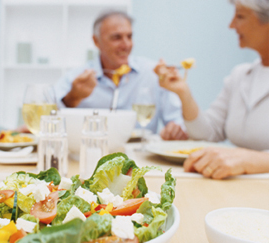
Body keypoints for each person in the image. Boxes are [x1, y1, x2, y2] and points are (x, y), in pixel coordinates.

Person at [154, 0, 269, 179]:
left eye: (240, 16)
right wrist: (183, 93)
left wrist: (250, 160)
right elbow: (208, 133)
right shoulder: (240, 75)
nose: (232, 25)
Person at [54, 10, 188, 139]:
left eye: (129, 36)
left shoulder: (153, 73)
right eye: (116, 37)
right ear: (96, 41)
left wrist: (174, 130)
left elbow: (178, 123)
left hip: (140, 157)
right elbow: (49, 121)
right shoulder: (77, 78)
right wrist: (72, 98)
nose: (126, 44)